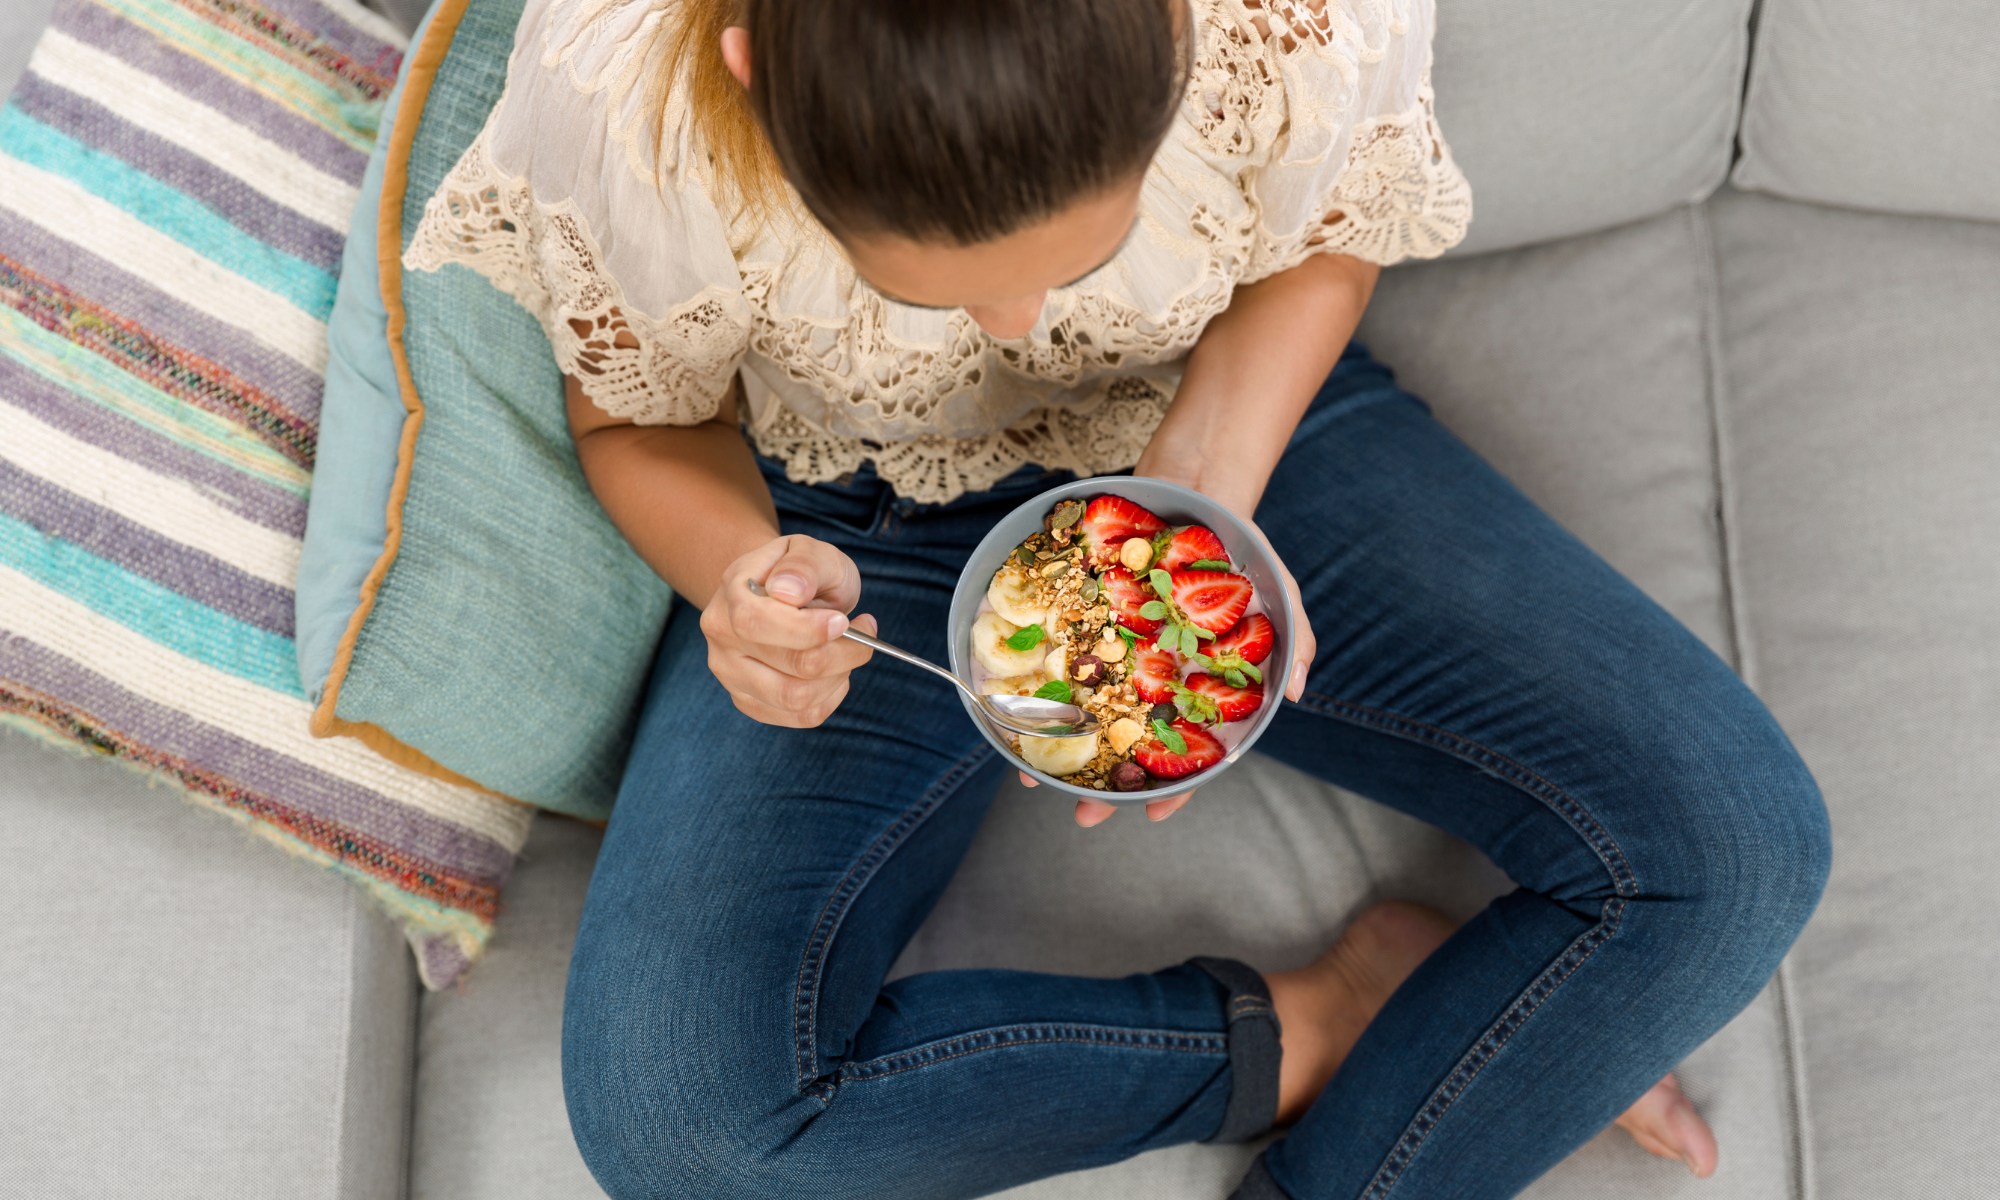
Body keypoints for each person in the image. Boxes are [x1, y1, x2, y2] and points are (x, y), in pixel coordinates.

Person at [406, 0, 1830, 1195]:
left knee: (1738, 846)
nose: (1017, 327)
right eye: (938, 282)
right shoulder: (621, 86)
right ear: (752, 73)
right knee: (687, 1128)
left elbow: (1330, 227)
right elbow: (638, 424)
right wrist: (738, 577)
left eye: (1075, 254)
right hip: (856, 517)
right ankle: (1333, 1025)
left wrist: (1201, 491)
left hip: (1228, 423)